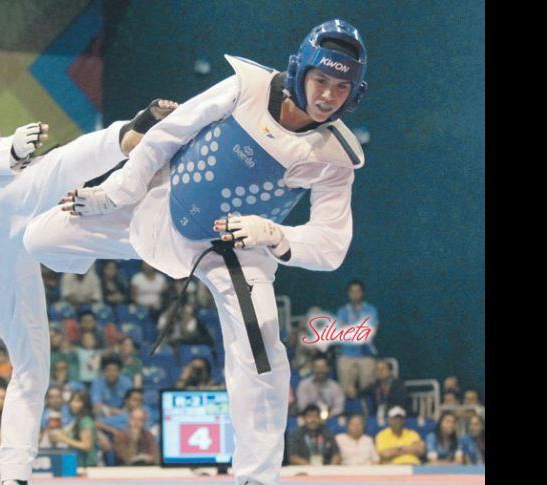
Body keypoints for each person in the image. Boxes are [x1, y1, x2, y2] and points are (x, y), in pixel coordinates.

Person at [24, 19, 368, 485]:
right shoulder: (247, 85)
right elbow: (168, 133)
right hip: (161, 205)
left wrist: (273, 234)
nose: (329, 95)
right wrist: (114, 191)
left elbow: (330, 246)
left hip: (233, 251)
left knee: (263, 349)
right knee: (39, 240)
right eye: (321, 80)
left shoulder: (336, 157)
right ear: (300, 71)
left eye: (341, 87)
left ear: (355, 92)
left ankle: (256, 478)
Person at [0, 22, 176, 485]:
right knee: (50, 169)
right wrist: (8, 151)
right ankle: (128, 136)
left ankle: (13, 474)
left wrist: (7, 155)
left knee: (33, 362)